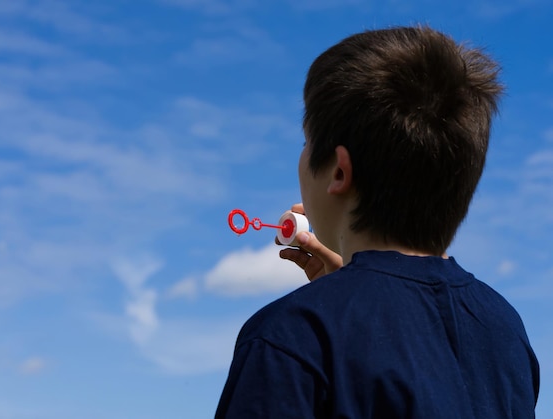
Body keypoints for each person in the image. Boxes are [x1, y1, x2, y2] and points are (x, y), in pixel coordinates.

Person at [215, 25, 539, 418]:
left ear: (338, 171)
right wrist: (351, 301)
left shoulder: (291, 336)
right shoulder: (504, 329)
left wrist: (340, 309)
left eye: (305, 141)